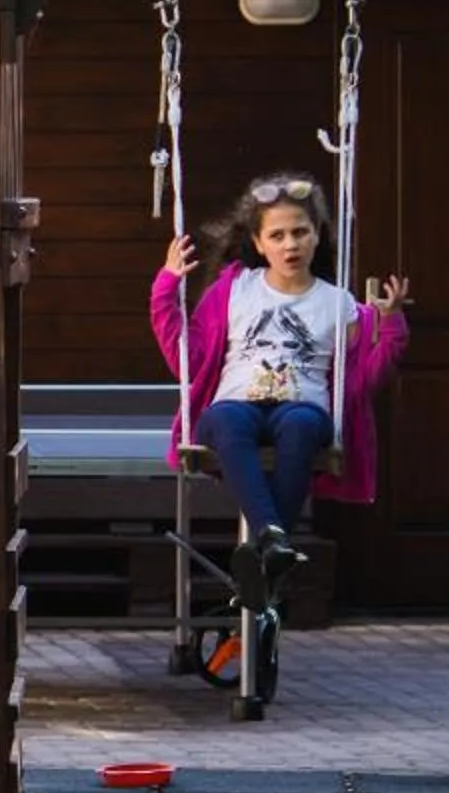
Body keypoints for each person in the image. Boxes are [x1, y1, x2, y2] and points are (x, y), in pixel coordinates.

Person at [152, 171, 411, 611]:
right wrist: (167, 286)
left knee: (302, 425)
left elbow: (365, 379)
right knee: (226, 418)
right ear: (258, 243)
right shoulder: (234, 290)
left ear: (316, 237)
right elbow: (187, 359)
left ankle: (268, 545)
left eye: (300, 232)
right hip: (237, 403)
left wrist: (390, 325)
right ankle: (274, 543)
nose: (290, 244)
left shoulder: (338, 303)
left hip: (301, 407)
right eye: (277, 235)